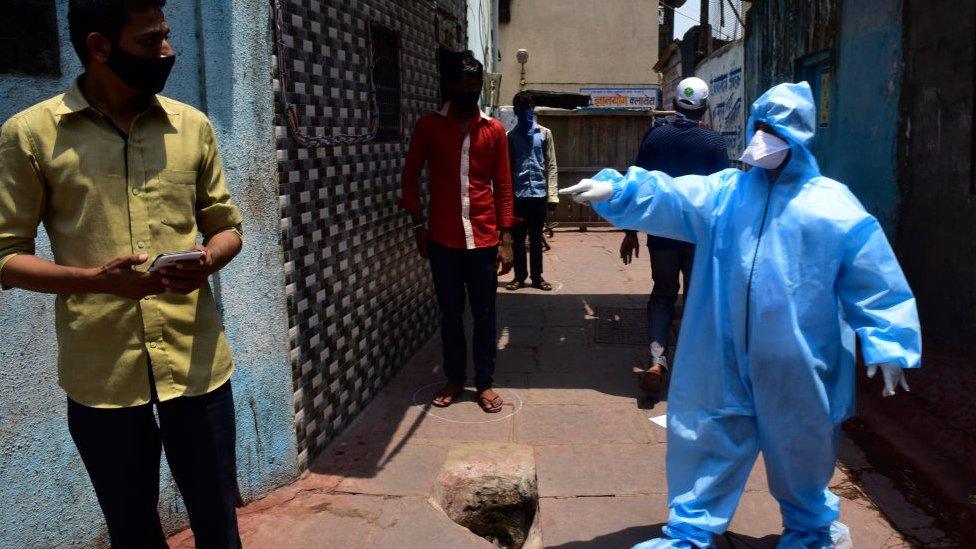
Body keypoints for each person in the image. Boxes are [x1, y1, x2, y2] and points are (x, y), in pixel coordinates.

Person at [561, 82, 921, 548]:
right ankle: (690, 529)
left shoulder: (833, 207)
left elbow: (874, 280)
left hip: (798, 361)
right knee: (706, 433)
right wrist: (619, 190)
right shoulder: (727, 194)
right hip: (722, 353)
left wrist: (889, 342)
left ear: (798, 137)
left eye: (776, 131)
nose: (765, 140)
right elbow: (673, 195)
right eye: (762, 128)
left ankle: (810, 529)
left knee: (801, 449)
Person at [0, 1, 244, 546]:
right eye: (150, 40)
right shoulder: (32, 135)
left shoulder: (192, 127)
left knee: (219, 525)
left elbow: (228, 227)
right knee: (132, 531)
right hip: (102, 375)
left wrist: (208, 260)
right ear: (99, 45)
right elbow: (7, 258)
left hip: (196, 366)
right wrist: (97, 281)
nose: (168, 51)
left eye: (167, 35)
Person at [399, 50, 516, 413]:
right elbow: (409, 179)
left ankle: (483, 383)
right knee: (450, 314)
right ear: (448, 86)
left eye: (475, 84)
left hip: (483, 239)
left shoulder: (493, 130)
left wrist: (506, 238)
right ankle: (453, 378)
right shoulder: (429, 127)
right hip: (443, 240)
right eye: (462, 84)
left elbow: (504, 184)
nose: (469, 90)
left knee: (485, 315)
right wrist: (420, 227)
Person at [620, 77, 729, 392]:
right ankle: (696, 369)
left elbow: (638, 185)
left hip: (662, 235)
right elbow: (723, 195)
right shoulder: (714, 143)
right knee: (698, 299)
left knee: (663, 294)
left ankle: (656, 361)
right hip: (699, 238)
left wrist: (630, 231)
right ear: (705, 106)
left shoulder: (655, 138)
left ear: (674, 104)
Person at [506, 92, 559, 291]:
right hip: (518, 196)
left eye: (529, 108)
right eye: (522, 109)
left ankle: (537, 278)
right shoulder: (510, 136)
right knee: (518, 240)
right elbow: (507, 167)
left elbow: (552, 165)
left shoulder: (545, 133)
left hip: (538, 194)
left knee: (536, 239)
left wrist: (553, 194)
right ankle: (520, 277)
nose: (526, 112)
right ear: (516, 112)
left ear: (533, 109)